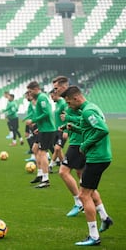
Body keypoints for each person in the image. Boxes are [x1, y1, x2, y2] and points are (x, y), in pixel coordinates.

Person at [62, 85, 113, 246]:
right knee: (88, 191)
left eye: (70, 103)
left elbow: (103, 130)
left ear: (77, 98)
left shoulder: (87, 111)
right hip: (100, 156)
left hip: (97, 157)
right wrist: (74, 128)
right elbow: (90, 129)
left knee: (84, 195)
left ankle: (94, 236)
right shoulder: (92, 107)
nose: (69, 107)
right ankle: (105, 218)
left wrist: (84, 145)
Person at [52, 76, 84, 217]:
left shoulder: (73, 102)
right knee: (81, 175)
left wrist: (66, 129)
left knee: (63, 172)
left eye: (56, 88)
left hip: (78, 142)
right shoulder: (66, 102)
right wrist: (65, 128)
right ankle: (98, 208)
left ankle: (79, 202)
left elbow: (85, 119)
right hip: (77, 141)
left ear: (64, 87)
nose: (55, 90)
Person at [25, 81, 56, 188]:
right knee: (35, 149)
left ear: (35, 89)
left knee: (42, 153)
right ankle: (40, 175)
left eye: (30, 91)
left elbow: (47, 112)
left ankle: (45, 179)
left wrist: (34, 120)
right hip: (43, 129)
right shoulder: (40, 98)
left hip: (47, 130)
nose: (29, 93)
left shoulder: (42, 98)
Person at [48, 89, 67, 172]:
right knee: (57, 149)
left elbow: (67, 116)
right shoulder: (57, 104)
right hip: (56, 129)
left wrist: (66, 130)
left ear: (56, 94)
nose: (52, 99)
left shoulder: (63, 104)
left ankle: (51, 165)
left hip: (62, 130)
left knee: (57, 148)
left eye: (52, 96)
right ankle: (64, 165)